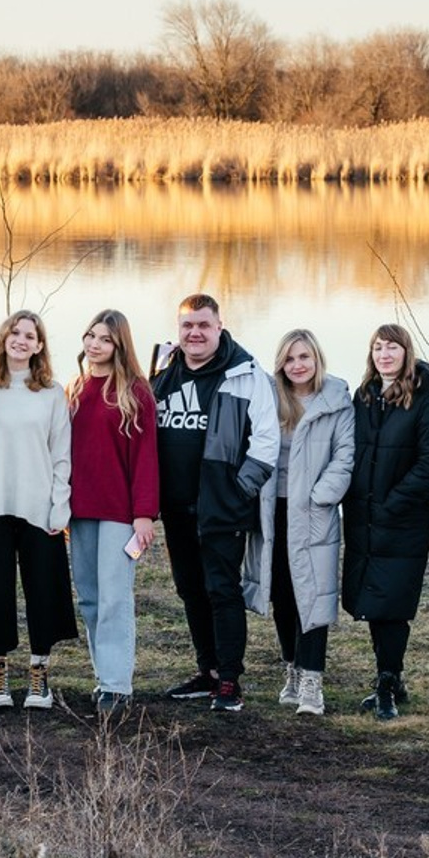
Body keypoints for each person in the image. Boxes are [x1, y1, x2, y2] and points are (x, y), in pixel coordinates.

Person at [153, 293, 279, 714]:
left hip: (221, 509)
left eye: (204, 325)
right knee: (190, 590)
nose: (195, 333)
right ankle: (206, 672)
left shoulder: (245, 375)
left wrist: (236, 492)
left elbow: (265, 444)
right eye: (187, 326)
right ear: (179, 330)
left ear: (219, 327)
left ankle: (229, 680)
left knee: (222, 590)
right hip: (175, 508)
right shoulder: (163, 373)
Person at [0, 311, 77, 712]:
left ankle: (39, 673)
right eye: (15, 333)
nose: (21, 340)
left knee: (43, 590)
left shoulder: (51, 393)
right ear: (4, 339)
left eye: (30, 335)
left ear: (40, 346)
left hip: (38, 507)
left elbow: (61, 455)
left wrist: (59, 506)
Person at [243, 329, 354, 718]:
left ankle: (312, 681)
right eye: (290, 359)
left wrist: (321, 495)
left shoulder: (336, 400)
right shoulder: (269, 398)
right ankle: (291, 667)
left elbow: (345, 456)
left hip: (314, 513)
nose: (297, 365)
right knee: (282, 595)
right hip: (273, 510)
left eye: (304, 357)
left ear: (316, 358)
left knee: (314, 595)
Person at [342, 324, 429, 721]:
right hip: (362, 517)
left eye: (392, 348)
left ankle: (387, 682)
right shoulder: (363, 396)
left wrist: (395, 500)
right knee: (372, 598)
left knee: (393, 603)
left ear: (407, 352)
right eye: (378, 347)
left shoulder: (425, 403)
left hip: (401, 518)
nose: (384, 354)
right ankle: (391, 677)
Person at [68, 309, 159, 717]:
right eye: (90, 336)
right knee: (89, 597)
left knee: (114, 599)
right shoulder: (73, 389)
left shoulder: (135, 392)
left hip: (120, 513)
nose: (94, 345)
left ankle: (117, 686)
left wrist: (144, 514)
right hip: (78, 510)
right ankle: (103, 676)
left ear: (119, 346)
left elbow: (145, 459)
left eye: (104, 339)